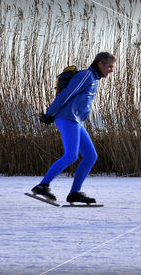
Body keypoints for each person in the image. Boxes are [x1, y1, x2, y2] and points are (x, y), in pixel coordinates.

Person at [31, 52, 115, 204]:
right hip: (67, 118)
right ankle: (43, 185)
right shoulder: (86, 75)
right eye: (109, 67)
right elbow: (66, 94)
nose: (111, 70)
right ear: (100, 64)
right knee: (71, 155)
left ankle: (74, 193)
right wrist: (50, 113)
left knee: (90, 155)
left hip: (76, 121)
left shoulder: (94, 79)